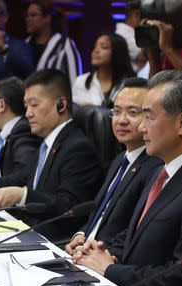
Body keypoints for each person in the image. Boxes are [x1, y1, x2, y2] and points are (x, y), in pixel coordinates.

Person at [72, 70, 182, 286]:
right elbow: (135, 236)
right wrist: (100, 251)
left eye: (148, 117)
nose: (141, 127)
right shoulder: (161, 169)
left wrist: (109, 270)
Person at [0, 69, 104, 241]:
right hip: (29, 235)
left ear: (61, 105)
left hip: (53, 243)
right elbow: (14, 181)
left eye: (34, 105)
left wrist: (23, 196)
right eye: (26, 106)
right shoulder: (47, 144)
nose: (27, 114)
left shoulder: (77, 147)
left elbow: (69, 207)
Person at [65, 77, 162, 255]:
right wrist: (80, 235)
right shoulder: (119, 160)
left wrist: (91, 251)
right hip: (84, 255)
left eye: (132, 113)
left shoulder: (156, 168)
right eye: (116, 112)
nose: (121, 120)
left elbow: (133, 232)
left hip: (107, 260)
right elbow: (100, 215)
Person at [25, 0, 82, 85]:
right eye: (27, 15)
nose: (28, 19)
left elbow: (74, 83)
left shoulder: (64, 45)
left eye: (33, 15)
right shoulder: (25, 44)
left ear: (47, 17)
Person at [72, 32, 135, 108]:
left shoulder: (129, 84)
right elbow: (73, 113)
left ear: (117, 52)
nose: (96, 51)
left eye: (104, 47)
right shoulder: (81, 81)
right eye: (95, 47)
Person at [115, 0, 148, 75]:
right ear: (137, 14)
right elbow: (143, 56)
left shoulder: (134, 32)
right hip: (132, 81)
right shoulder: (123, 34)